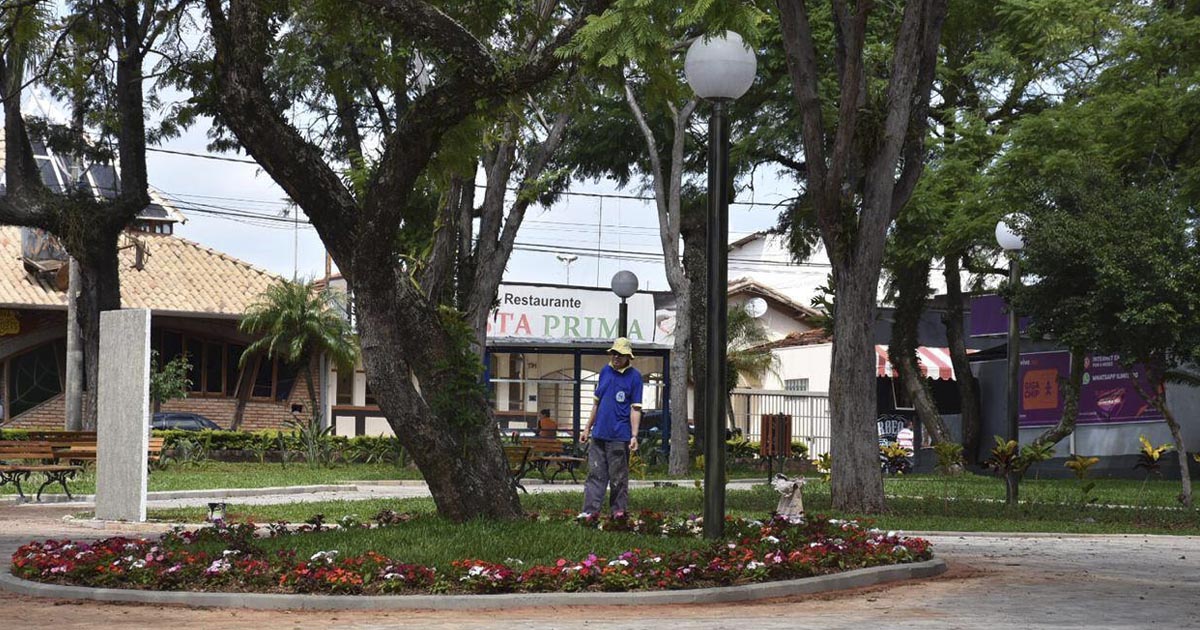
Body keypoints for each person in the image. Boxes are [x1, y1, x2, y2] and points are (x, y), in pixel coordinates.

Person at [581, 337, 642, 518]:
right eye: (614, 353)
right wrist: (586, 429)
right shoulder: (604, 372)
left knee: (618, 478)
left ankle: (618, 513)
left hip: (619, 436)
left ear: (628, 356)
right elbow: (596, 404)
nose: (616, 357)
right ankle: (589, 513)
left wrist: (634, 435)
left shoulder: (635, 377)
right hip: (598, 434)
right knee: (595, 475)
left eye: (621, 354)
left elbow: (636, 408)